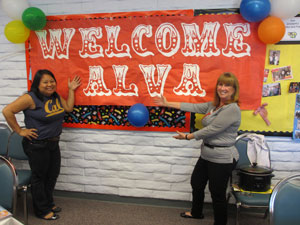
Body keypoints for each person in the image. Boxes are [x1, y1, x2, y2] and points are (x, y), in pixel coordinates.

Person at [154, 72, 241, 225]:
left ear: (234, 89)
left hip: (222, 157)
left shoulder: (232, 109)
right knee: (197, 182)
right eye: (220, 84)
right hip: (207, 154)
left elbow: (212, 129)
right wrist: (167, 103)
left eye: (227, 85)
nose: (223, 88)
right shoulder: (214, 105)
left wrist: (188, 137)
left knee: (217, 193)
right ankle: (196, 212)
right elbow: (193, 106)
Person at [2, 69, 81, 220]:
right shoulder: (30, 98)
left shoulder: (56, 96)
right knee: (40, 177)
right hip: (37, 145)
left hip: (53, 143)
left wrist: (71, 90)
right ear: (37, 84)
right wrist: (19, 131)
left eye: (52, 81)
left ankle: (48, 203)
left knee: (52, 175)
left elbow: (68, 108)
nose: (49, 84)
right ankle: (41, 210)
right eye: (45, 82)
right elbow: (7, 111)